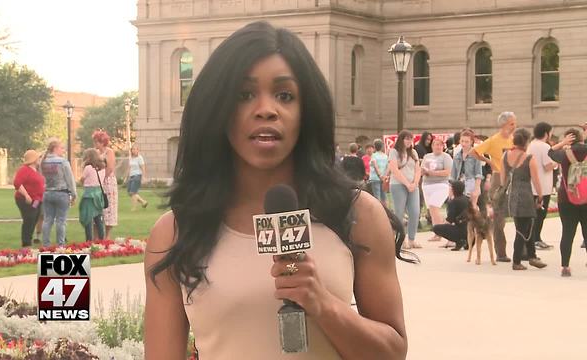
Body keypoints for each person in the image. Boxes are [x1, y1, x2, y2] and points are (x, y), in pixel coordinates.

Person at [144, 21, 409, 360]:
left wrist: (321, 302)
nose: (266, 109)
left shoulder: (357, 215)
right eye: (244, 95)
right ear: (218, 110)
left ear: (306, 109)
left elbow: (393, 353)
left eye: (285, 95)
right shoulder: (174, 233)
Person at [471, 111, 517, 263]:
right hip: (498, 178)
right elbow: (474, 152)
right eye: (512, 123)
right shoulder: (493, 140)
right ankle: (501, 252)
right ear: (504, 124)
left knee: (518, 214)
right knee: (499, 218)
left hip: (513, 177)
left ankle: (522, 250)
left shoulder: (514, 139)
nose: (514, 126)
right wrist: (489, 162)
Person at [501, 128, 547, 271]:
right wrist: (540, 196)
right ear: (526, 142)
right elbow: (536, 180)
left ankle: (532, 256)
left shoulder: (505, 156)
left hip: (512, 195)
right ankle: (517, 261)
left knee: (525, 227)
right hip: (526, 195)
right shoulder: (528, 158)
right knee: (522, 230)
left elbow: (503, 180)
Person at [548, 128, 587, 277]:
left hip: (567, 198)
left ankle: (565, 266)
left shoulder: (564, 154)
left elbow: (550, 152)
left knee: (567, 233)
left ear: (568, 139)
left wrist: (561, 143)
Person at [40, 139, 77, 247]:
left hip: (47, 193)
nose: (63, 150)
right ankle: (60, 245)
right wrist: (74, 194)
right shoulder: (62, 162)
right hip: (61, 193)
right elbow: (70, 179)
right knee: (61, 221)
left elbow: (42, 177)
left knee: (47, 220)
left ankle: (46, 244)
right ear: (55, 148)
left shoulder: (43, 161)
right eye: (61, 148)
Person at [389, 130, 422, 249]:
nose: (409, 141)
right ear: (401, 139)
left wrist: (415, 183)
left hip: (413, 185)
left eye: (411, 139)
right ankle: (401, 240)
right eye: (406, 139)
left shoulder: (413, 152)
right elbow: (394, 170)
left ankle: (412, 239)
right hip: (398, 185)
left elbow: (418, 169)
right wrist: (407, 183)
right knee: (399, 213)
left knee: (415, 212)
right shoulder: (394, 152)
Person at [527, 122, 556, 251]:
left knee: (533, 215)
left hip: (531, 185)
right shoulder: (545, 147)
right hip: (543, 187)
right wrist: (556, 162)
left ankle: (533, 239)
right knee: (540, 215)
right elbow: (547, 165)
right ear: (546, 133)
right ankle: (536, 239)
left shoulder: (530, 145)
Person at [421, 137, 453, 243]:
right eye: (435, 144)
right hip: (427, 184)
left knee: (434, 207)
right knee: (432, 210)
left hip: (441, 185)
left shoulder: (446, 157)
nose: (438, 146)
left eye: (440, 145)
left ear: (443, 146)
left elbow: (447, 172)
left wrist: (433, 173)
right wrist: (424, 172)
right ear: (432, 146)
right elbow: (421, 169)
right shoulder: (427, 156)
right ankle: (437, 233)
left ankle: (444, 231)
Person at [12, 149, 45, 247]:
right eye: (38, 158)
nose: (39, 159)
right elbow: (17, 183)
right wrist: (26, 195)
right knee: (29, 219)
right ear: (33, 159)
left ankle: (28, 241)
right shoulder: (24, 170)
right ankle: (26, 243)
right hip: (27, 200)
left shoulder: (35, 170)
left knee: (34, 218)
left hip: (37, 201)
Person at [93, 130, 118, 239]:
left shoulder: (109, 152)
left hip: (108, 182)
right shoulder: (95, 152)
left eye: (97, 142)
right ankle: (96, 235)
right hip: (97, 181)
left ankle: (107, 236)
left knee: (109, 208)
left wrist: (102, 178)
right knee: (97, 208)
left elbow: (110, 167)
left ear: (102, 142)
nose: (95, 144)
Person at [432, 180, 470, 251]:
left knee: (436, 228)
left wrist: (443, 225)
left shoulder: (453, 202)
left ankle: (459, 241)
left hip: (461, 231)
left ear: (453, 190)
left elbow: (450, 220)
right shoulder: (467, 199)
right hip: (470, 230)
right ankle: (468, 242)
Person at [79, 148, 106, 241]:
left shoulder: (88, 168)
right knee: (98, 218)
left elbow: (82, 179)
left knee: (88, 218)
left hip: (89, 195)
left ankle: (89, 240)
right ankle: (102, 239)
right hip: (99, 194)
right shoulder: (102, 167)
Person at [451, 129, 483, 207]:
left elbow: (478, 173)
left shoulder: (475, 155)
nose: (464, 144)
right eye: (462, 141)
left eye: (466, 141)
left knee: (472, 207)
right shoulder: (457, 156)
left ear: (471, 142)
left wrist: (477, 188)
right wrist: (451, 190)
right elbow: (453, 175)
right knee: (460, 208)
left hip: (471, 183)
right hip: (459, 184)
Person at [126, 145, 149, 210]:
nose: (134, 150)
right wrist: (126, 176)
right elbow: (129, 167)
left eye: (135, 149)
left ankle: (134, 208)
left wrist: (143, 177)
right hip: (131, 176)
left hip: (137, 176)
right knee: (129, 193)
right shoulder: (130, 157)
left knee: (133, 192)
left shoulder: (140, 158)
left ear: (138, 150)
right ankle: (143, 202)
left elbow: (143, 168)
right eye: (133, 149)